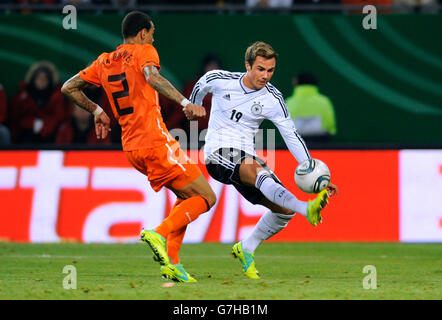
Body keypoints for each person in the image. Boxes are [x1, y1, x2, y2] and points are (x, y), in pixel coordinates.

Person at [61, 11, 216, 283]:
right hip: (155, 141)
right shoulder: (145, 51)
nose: (153, 38)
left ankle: (174, 264)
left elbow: (69, 87)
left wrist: (98, 110)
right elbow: (152, 77)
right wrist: (185, 103)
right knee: (206, 198)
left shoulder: (104, 61)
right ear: (143, 32)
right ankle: (158, 233)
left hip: (131, 147)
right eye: (152, 33)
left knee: (185, 198)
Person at [190, 41, 338, 279]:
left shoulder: (273, 99)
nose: (265, 76)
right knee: (258, 171)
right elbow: (202, 84)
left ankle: (246, 247)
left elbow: (291, 135)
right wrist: (192, 105)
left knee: (283, 212)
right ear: (247, 65)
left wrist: (314, 172)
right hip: (218, 153)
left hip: (247, 158)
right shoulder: (221, 79)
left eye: (270, 70)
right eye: (260, 69)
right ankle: (306, 208)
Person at [10, 61, 67, 144]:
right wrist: (32, 123)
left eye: (45, 78)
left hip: (49, 135)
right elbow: (15, 117)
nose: (41, 81)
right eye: (39, 78)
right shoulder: (22, 96)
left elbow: (59, 117)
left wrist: (44, 126)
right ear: (33, 79)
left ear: (50, 80)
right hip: (25, 135)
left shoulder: (58, 96)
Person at [286, 72, 337, 143]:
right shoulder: (324, 101)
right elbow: (330, 125)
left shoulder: (289, 102)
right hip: (321, 143)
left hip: (295, 144)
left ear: (295, 83)